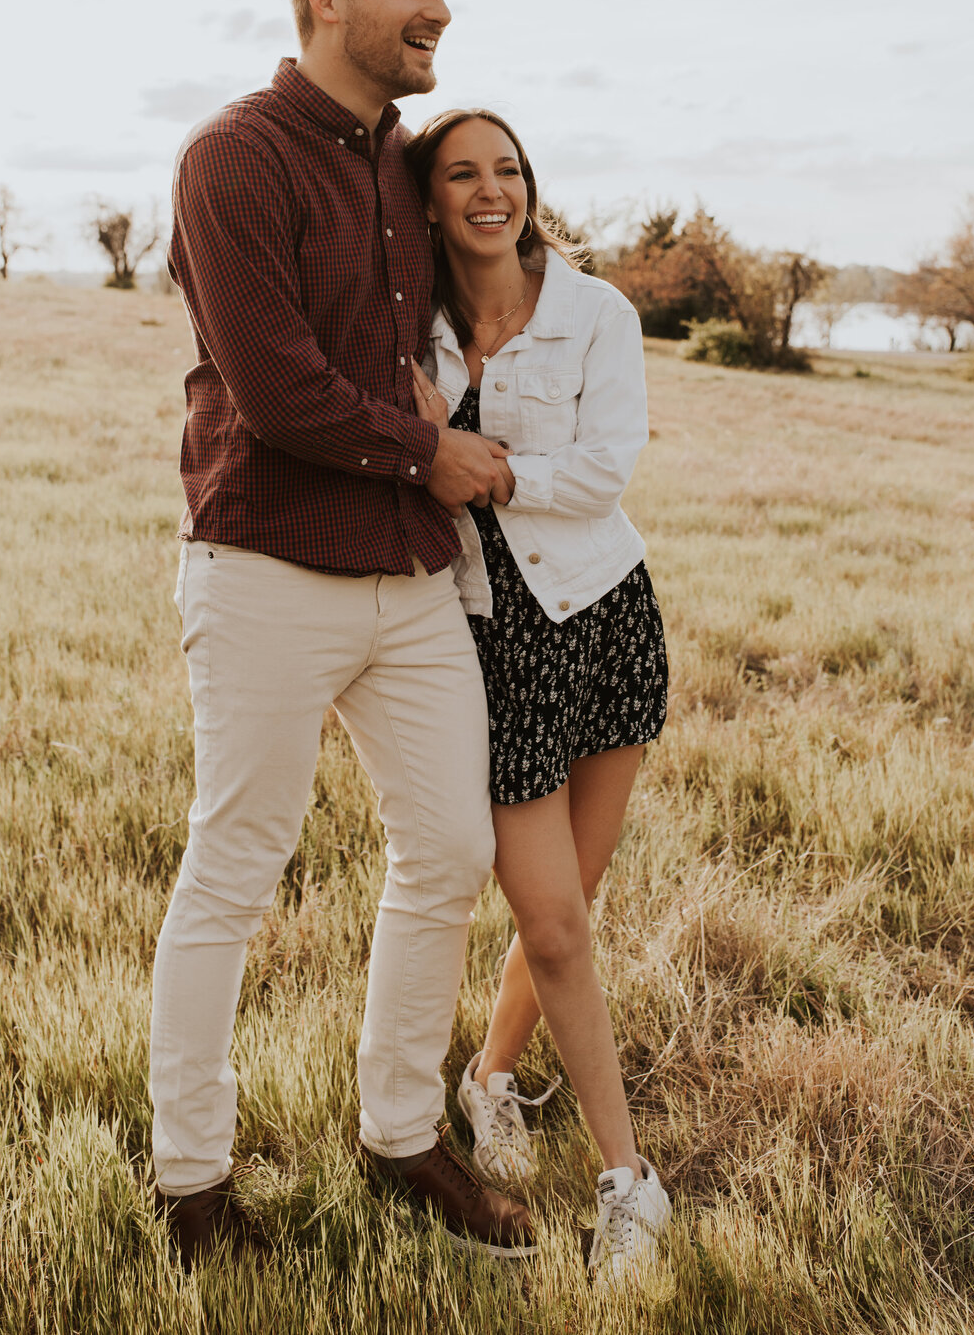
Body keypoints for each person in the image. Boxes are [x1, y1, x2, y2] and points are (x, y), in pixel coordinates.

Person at [151, 0, 535, 1269]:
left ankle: (398, 1135)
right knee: (234, 868)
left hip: (410, 579)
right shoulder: (231, 158)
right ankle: (192, 1180)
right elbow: (276, 391)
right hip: (265, 563)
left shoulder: (406, 166)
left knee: (446, 849)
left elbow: (476, 295)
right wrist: (430, 450)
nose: (439, 6)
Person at [403, 108, 672, 1284]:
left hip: (604, 618)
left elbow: (608, 468)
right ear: (426, 199)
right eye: (461, 172)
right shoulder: (407, 333)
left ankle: (490, 1078)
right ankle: (632, 1182)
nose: (489, 189)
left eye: (506, 169)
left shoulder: (593, 311)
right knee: (553, 920)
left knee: (573, 905)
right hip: (495, 647)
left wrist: (484, 467)